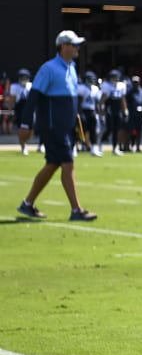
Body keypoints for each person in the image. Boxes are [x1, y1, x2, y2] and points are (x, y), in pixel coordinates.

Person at [17, 31, 97, 222]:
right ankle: (76, 210)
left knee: (53, 164)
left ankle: (27, 204)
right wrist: (26, 124)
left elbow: (70, 101)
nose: (78, 48)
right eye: (74, 44)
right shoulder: (49, 69)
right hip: (53, 127)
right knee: (68, 164)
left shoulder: (72, 68)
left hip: (66, 126)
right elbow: (33, 97)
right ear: (64, 46)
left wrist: (77, 124)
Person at [10, 68, 33, 155]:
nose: (23, 79)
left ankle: (25, 141)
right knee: (21, 127)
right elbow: (12, 99)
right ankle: (23, 146)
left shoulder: (31, 86)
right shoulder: (14, 86)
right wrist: (10, 108)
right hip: (19, 109)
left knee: (31, 128)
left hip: (29, 108)